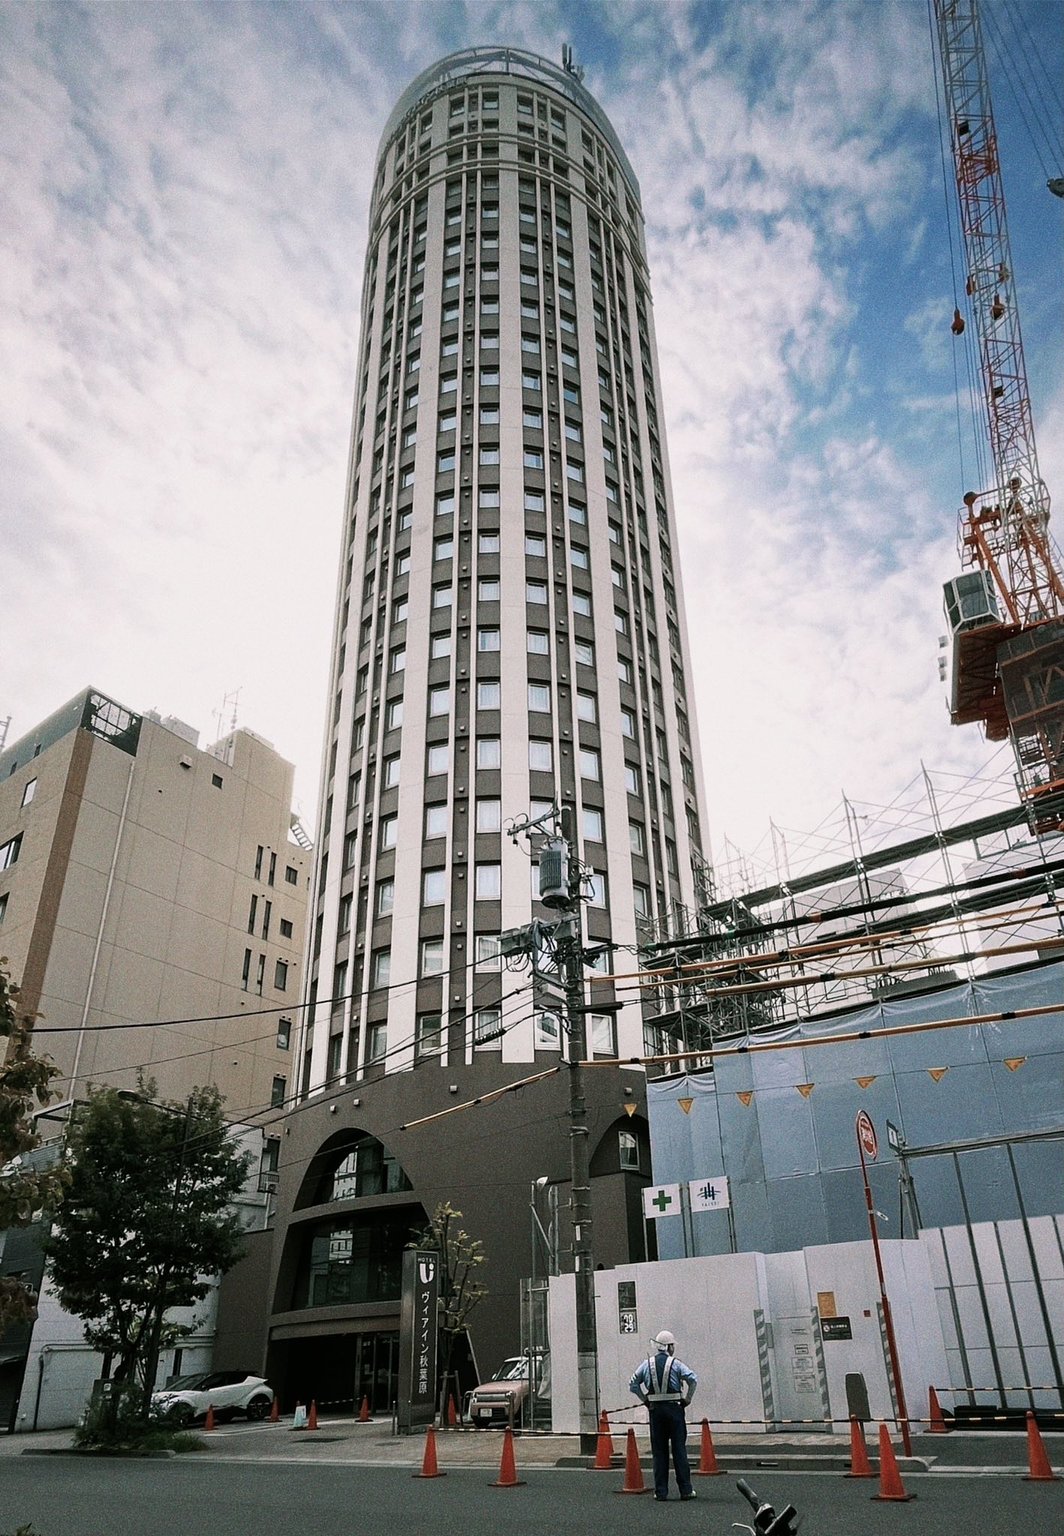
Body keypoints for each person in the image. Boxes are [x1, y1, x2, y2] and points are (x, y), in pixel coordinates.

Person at [629, 1329, 698, 1501]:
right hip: (674, 1409)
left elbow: (633, 1384)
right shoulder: (675, 1363)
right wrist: (687, 1399)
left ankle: (661, 1492)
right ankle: (686, 1490)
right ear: (669, 1347)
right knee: (679, 1450)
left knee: (659, 1453)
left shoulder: (647, 1364)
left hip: (656, 1411)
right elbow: (692, 1379)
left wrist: (645, 1400)